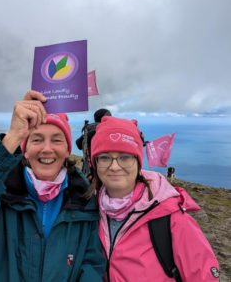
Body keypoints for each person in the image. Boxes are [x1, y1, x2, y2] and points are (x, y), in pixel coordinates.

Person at [0, 90, 106, 282]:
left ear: (67, 150)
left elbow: (92, 264)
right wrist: (11, 138)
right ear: (25, 150)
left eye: (56, 140)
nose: (47, 149)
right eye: (37, 139)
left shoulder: (84, 200)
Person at [90, 116, 220, 282]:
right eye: (105, 157)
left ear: (138, 162)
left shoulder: (171, 218)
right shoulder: (90, 210)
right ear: (95, 162)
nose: (114, 166)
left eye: (125, 157)